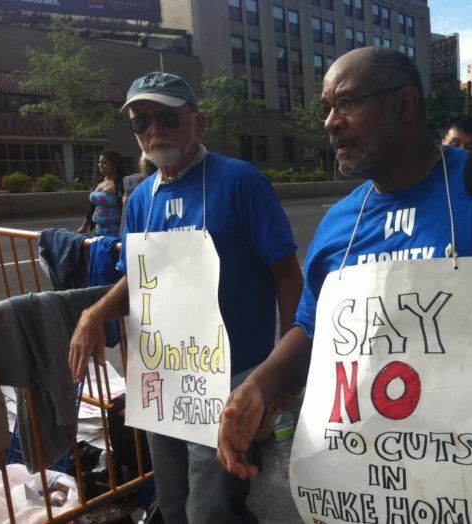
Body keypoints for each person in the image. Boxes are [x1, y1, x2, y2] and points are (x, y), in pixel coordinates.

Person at [218, 47, 472, 522]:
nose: (331, 122)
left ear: (405, 104)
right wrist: (256, 388)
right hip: (370, 493)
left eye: (347, 103)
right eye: (326, 107)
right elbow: (312, 331)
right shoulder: (338, 224)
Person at [69, 71, 303, 524]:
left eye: (167, 118)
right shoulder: (140, 198)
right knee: (173, 503)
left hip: (230, 379)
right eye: (141, 123)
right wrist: (94, 313)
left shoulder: (239, 180)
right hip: (165, 380)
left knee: (211, 510)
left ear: (199, 121)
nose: (153, 130)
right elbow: (137, 279)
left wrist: (283, 368)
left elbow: (286, 272)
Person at [76, 150, 126, 236]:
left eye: (104, 162)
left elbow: (124, 205)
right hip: (98, 231)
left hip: (115, 233)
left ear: (114, 165)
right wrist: (84, 226)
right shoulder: (99, 182)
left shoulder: (121, 184)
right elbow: (92, 206)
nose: (100, 165)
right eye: (99, 162)